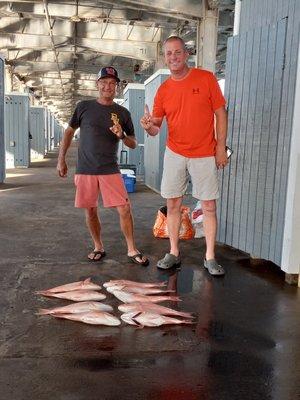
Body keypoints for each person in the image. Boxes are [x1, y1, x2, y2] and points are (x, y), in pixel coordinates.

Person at [140, 36, 228, 275]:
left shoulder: (206, 78)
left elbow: (221, 113)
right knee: (173, 203)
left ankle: (210, 256)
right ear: (165, 57)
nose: (173, 57)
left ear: (186, 54)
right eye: (169, 53)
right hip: (175, 152)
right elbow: (156, 127)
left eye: (177, 52)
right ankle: (174, 252)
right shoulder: (164, 90)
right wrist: (148, 126)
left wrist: (220, 147)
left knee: (209, 205)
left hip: (204, 152)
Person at [57, 66, 149, 266]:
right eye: (104, 82)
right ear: (97, 84)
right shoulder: (83, 107)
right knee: (90, 210)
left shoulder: (122, 113)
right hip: (85, 169)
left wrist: (121, 135)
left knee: (124, 208)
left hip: (110, 168)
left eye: (112, 83)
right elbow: (69, 132)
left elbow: (133, 143)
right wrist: (61, 159)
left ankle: (132, 249)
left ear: (116, 87)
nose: (108, 86)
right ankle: (98, 246)